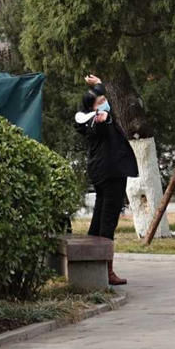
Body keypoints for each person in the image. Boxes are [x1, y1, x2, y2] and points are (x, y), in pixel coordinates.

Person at [75, 73, 138, 286]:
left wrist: (100, 84)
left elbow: (106, 109)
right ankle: (106, 270)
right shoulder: (95, 122)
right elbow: (100, 123)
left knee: (99, 218)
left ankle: (94, 266)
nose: (105, 105)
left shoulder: (99, 117)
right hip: (110, 174)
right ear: (93, 109)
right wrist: (101, 118)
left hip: (104, 172)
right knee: (108, 222)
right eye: (100, 103)